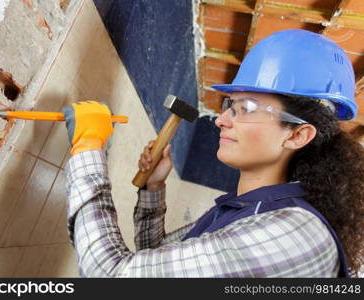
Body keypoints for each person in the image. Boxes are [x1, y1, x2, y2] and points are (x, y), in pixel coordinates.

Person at [63, 29, 364, 277]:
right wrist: (154, 186)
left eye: (246, 108)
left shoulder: (298, 235)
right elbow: (152, 260)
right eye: (229, 105)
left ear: (298, 134)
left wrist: (88, 146)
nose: (221, 120)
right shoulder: (243, 212)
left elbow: (109, 276)